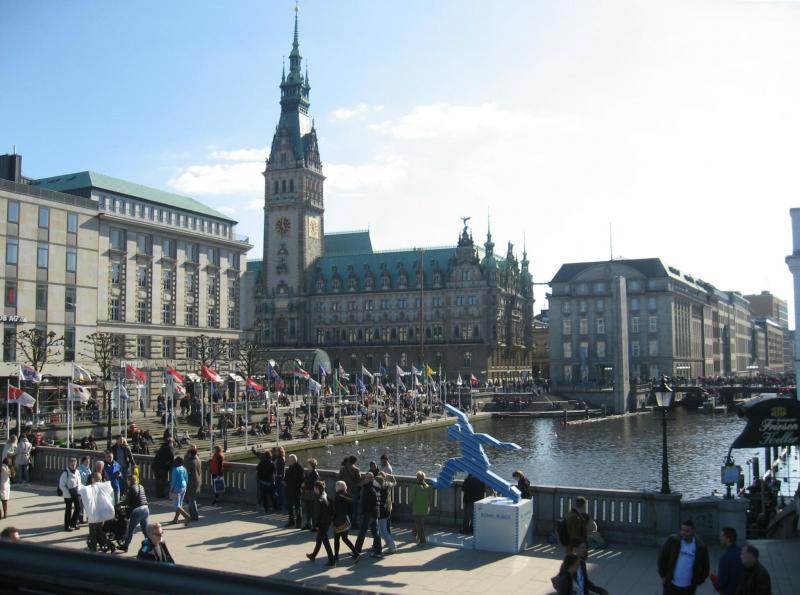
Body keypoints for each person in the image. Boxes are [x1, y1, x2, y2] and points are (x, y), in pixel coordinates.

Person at [657, 519, 710, 595]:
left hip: (689, 587)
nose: (684, 533)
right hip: (671, 584)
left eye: (687, 531)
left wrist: (698, 581)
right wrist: (663, 576)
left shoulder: (700, 546)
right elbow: (662, 558)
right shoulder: (673, 541)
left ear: (693, 531)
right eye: (682, 530)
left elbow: (705, 566)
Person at [79, 471, 116, 552]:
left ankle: (93, 549)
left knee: (92, 533)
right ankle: (110, 544)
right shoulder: (104, 486)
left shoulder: (91, 488)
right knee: (100, 531)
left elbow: (82, 490)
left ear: (93, 479)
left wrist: (79, 484)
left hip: (94, 514)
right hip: (102, 514)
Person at [306, 480, 335, 567]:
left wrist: (316, 525)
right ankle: (313, 555)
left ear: (317, 488)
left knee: (325, 541)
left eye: (314, 488)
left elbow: (317, 515)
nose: (314, 489)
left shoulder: (318, 500)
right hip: (327, 522)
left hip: (321, 523)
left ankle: (332, 560)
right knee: (319, 539)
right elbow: (332, 510)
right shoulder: (326, 495)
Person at [354, 472, 382, 558]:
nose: (365, 479)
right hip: (374, 513)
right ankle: (378, 552)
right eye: (365, 478)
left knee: (362, 532)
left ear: (372, 478)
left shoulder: (369, 489)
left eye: (367, 478)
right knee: (375, 532)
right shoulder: (374, 488)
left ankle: (356, 551)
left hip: (368, 513)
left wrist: (363, 513)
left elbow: (368, 503)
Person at [120, 474, 150, 552]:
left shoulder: (131, 488)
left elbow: (127, 502)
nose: (127, 482)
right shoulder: (141, 486)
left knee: (130, 529)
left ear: (129, 481)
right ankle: (151, 545)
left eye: (127, 481)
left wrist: (119, 504)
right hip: (146, 509)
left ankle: (125, 546)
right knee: (145, 530)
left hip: (137, 510)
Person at [332, 480, 359, 563]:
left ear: (338, 487)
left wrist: (332, 518)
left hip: (339, 520)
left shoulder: (338, 496)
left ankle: (336, 556)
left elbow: (336, 510)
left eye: (336, 486)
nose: (335, 487)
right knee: (344, 538)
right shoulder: (348, 496)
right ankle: (355, 553)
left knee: (337, 539)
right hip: (347, 520)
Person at [712, 527, 742, 595]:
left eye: (721, 536)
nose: (719, 538)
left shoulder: (725, 558)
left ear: (728, 539)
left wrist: (715, 582)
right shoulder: (741, 552)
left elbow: (721, 582)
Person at [58, 457, 82, 531]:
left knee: (78, 508)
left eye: (74, 464)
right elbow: (61, 485)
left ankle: (73, 523)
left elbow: (79, 482)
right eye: (72, 464)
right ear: (69, 464)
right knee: (68, 510)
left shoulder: (77, 471)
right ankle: (67, 526)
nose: (73, 466)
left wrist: (79, 490)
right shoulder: (65, 473)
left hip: (76, 492)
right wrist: (68, 494)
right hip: (68, 493)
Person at [338, 456, 361, 530]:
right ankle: (354, 524)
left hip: (345, 492)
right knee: (354, 509)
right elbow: (359, 481)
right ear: (354, 462)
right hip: (354, 492)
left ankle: (345, 524)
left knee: (346, 509)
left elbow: (339, 480)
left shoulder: (342, 469)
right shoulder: (356, 470)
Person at [409, 470, 431, 546]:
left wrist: (411, 503)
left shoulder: (415, 487)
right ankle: (414, 535)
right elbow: (430, 498)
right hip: (425, 509)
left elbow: (411, 499)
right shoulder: (427, 486)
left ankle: (422, 541)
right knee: (418, 522)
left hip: (417, 509)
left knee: (419, 526)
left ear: (417, 478)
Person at [376, 475, 396, 554]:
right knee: (383, 530)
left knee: (383, 531)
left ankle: (392, 547)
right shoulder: (386, 487)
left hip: (381, 512)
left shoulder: (379, 490)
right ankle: (391, 546)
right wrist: (392, 478)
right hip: (385, 511)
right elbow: (394, 483)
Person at [285, 454, 304, 528]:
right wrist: (284, 481)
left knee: (297, 507)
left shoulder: (299, 468)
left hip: (296, 491)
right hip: (289, 490)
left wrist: (289, 482)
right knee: (289, 507)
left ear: (294, 460)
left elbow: (301, 480)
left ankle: (298, 523)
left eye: (289, 460)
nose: (288, 461)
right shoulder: (289, 468)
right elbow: (286, 478)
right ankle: (291, 521)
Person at [169, 456, 190, 525]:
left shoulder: (175, 469)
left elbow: (173, 481)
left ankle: (186, 516)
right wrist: (185, 486)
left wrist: (171, 489)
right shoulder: (184, 468)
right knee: (180, 504)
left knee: (176, 505)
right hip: (184, 487)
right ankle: (176, 519)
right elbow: (186, 479)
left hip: (177, 488)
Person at [184, 446, 202, 521]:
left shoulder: (190, 462)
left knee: (191, 499)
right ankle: (193, 515)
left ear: (190, 454)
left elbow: (186, 472)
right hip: (197, 481)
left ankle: (194, 515)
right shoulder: (198, 459)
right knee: (192, 498)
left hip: (191, 482)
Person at [302, 458, 320, 530]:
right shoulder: (308, 472)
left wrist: (305, 483)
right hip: (307, 493)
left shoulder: (315, 473)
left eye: (308, 464)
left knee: (313, 510)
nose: (307, 466)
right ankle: (308, 524)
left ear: (312, 465)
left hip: (312, 493)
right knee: (308, 510)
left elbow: (314, 484)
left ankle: (314, 526)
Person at [274, 446, 286, 511]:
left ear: (279, 451)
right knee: (277, 492)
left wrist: (282, 479)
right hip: (277, 477)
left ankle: (281, 506)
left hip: (279, 477)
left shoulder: (282, 459)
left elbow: (283, 470)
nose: (275, 452)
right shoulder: (277, 458)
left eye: (276, 451)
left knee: (280, 492)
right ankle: (278, 505)